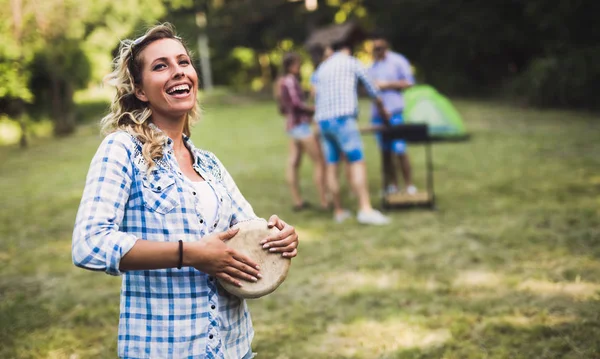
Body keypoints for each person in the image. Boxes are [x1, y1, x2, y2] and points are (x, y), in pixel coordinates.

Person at [72, 24, 299, 359]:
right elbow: (89, 244)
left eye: (183, 62)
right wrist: (189, 253)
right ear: (140, 89)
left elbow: (250, 231)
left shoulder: (209, 164)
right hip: (164, 349)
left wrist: (279, 237)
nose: (178, 71)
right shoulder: (122, 149)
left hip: (233, 348)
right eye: (160, 66)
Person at [312, 39, 391, 225]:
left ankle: (339, 211)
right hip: (343, 119)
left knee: (332, 166)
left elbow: (315, 94)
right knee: (357, 162)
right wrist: (383, 111)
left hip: (323, 121)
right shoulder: (352, 62)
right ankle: (365, 209)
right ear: (347, 49)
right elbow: (373, 89)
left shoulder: (322, 68)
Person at [276, 52, 328, 211]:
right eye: (298, 64)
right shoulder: (290, 81)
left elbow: (283, 107)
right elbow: (297, 104)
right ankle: (324, 201)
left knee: (294, 163)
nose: (299, 67)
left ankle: (298, 201)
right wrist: (314, 109)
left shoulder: (281, 82)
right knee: (319, 162)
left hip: (292, 127)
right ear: (292, 65)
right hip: (301, 127)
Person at [369, 33, 417, 195]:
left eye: (380, 48)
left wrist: (387, 85)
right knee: (385, 153)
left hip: (395, 112)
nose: (377, 51)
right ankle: (392, 185)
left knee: (400, 150)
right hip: (378, 115)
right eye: (375, 48)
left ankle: (409, 185)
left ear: (386, 46)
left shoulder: (398, 61)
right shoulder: (371, 66)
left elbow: (409, 82)